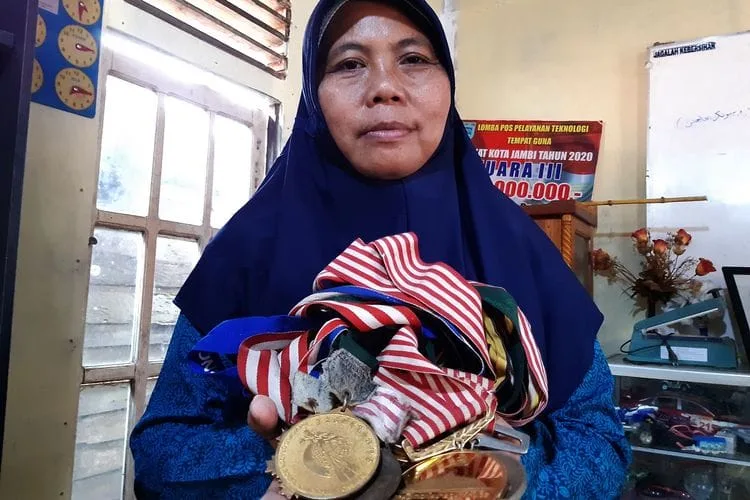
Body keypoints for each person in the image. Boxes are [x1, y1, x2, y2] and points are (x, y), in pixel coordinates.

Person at [129, 0, 632, 498]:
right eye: (349, 64)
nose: (385, 87)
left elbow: (599, 443)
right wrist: (309, 457)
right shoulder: (249, 249)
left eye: (413, 59)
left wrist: (485, 474)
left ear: (447, 84)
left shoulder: (519, 248)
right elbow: (164, 449)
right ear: (313, 95)